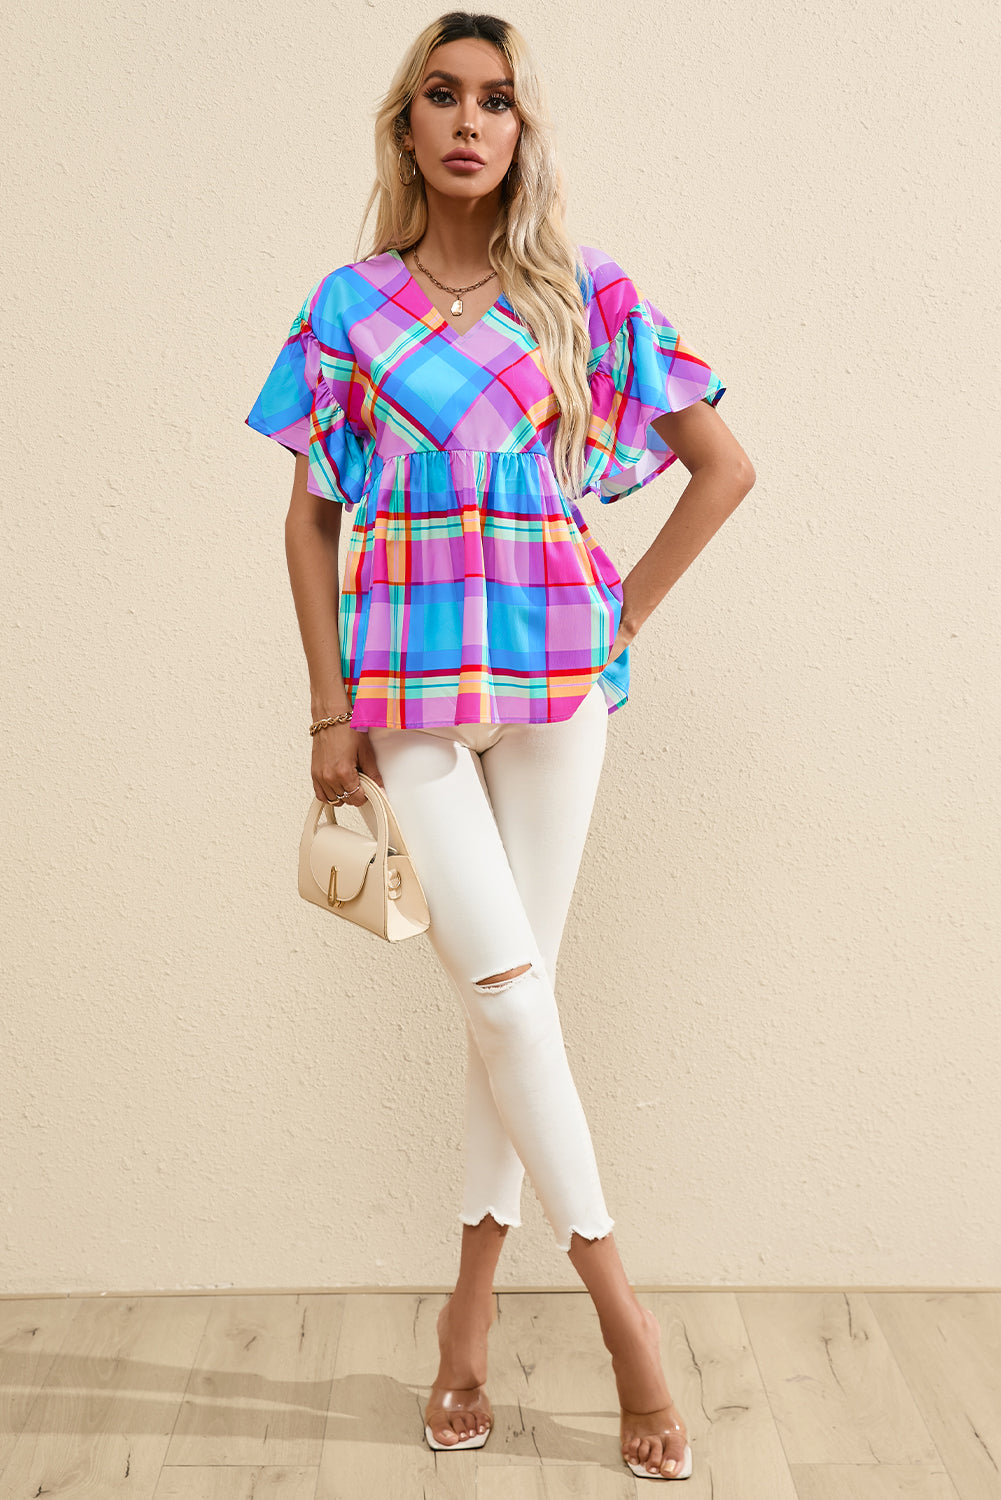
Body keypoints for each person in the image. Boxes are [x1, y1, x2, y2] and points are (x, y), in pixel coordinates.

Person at [245, 10, 754, 1481]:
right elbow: (310, 521)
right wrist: (329, 709)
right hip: (407, 695)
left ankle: (464, 1321)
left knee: (506, 1007)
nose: (469, 121)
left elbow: (722, 466)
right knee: (511, 1004)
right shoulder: (347, 305)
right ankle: (624, 1322)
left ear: (523, 130)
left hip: (554, 696)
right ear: (406, 126)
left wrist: (619, 620)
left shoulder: (583, 294)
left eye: (496, 100)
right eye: (442, 96)